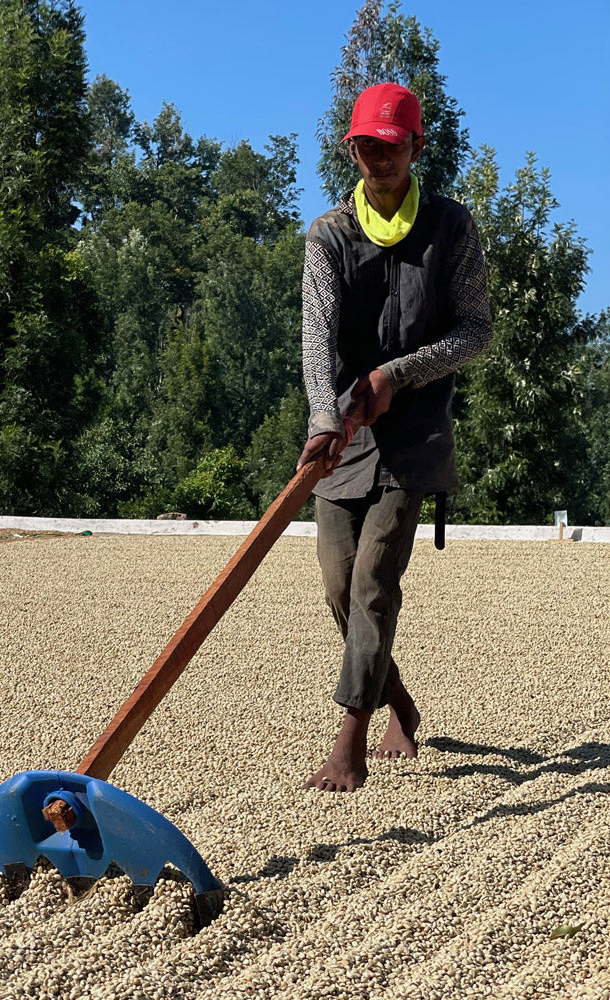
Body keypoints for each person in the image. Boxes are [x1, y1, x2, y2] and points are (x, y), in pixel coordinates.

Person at [297, 82, 493, 792]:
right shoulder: (328, 235)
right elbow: (316, 340)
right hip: (345, 433)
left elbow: (476, 330)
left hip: (414, 435)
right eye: (365, 145)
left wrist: (397, 375)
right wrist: (326, 415)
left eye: (391, 144)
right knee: (337, 586)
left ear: (416, 146)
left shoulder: (451, 227)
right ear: (350, 148)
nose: (378, 156)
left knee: (375, 578)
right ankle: (399, 701)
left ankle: (348, 742)